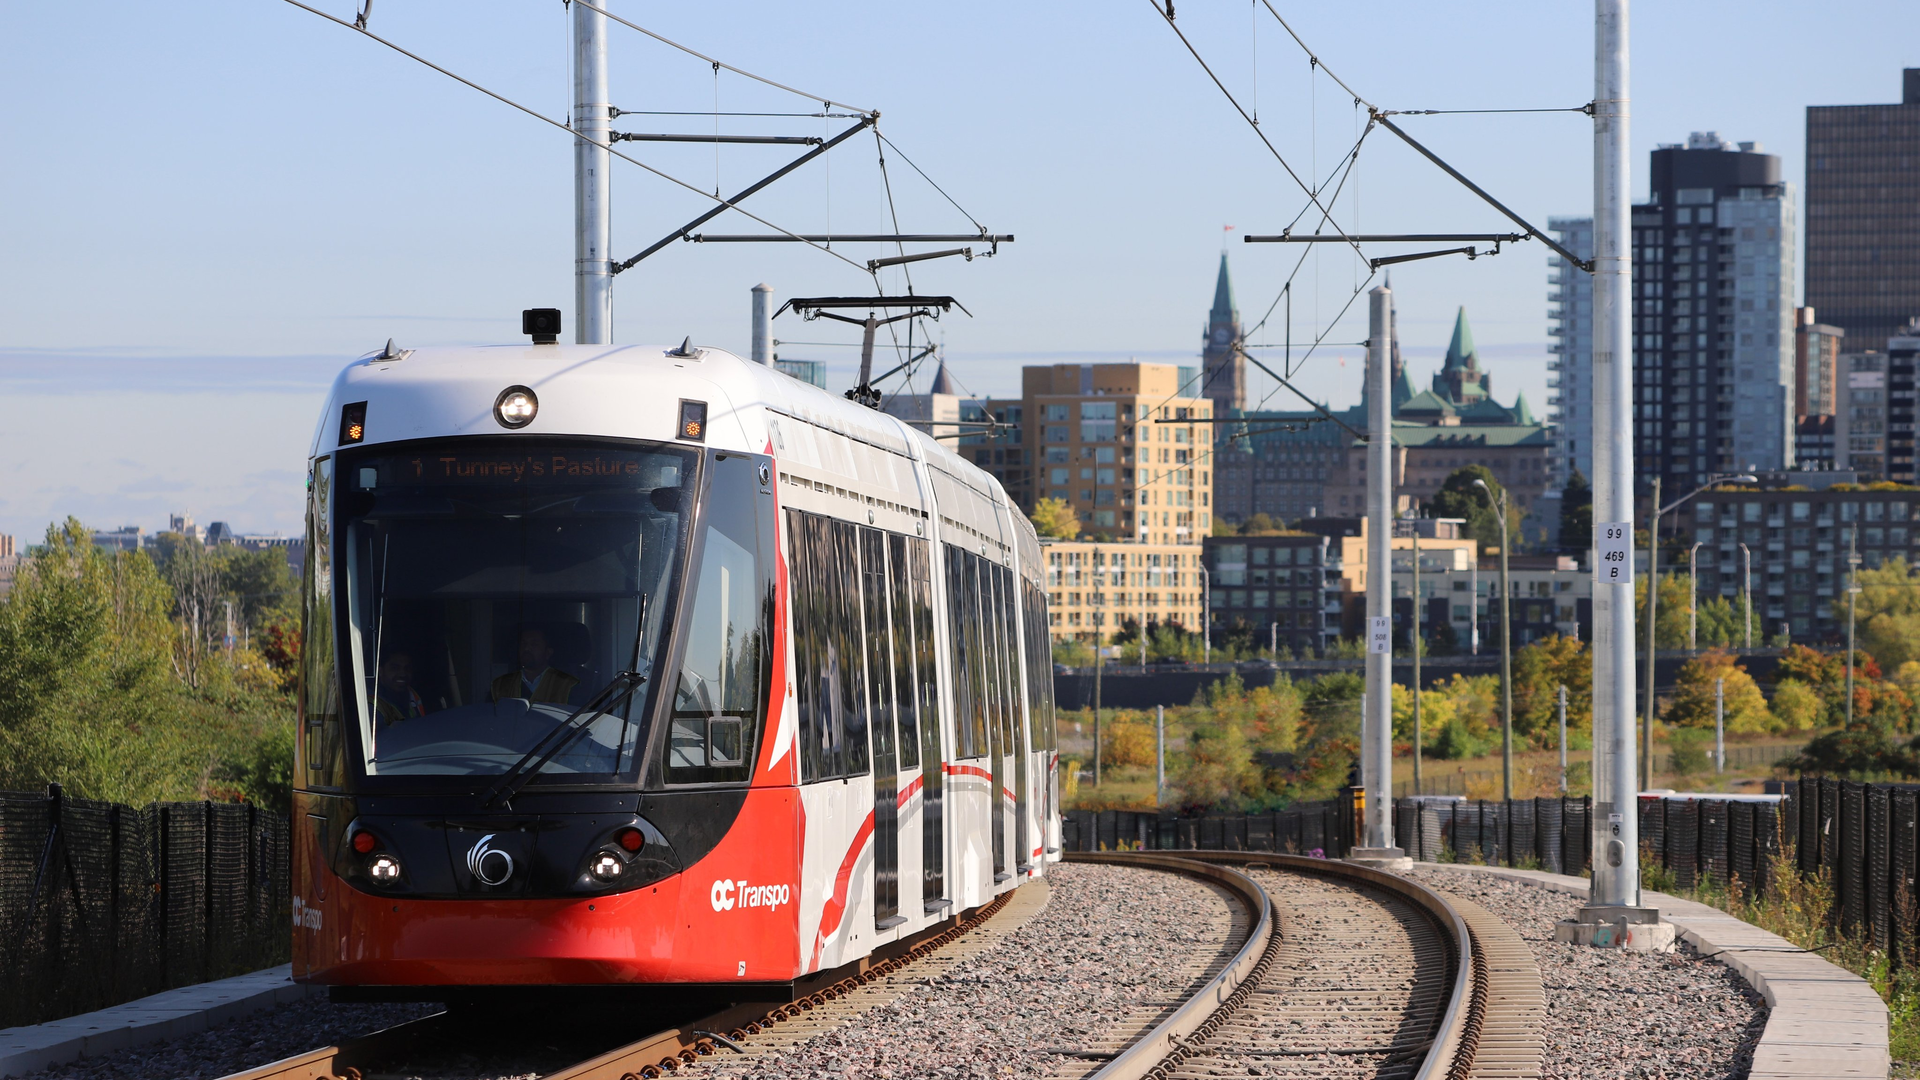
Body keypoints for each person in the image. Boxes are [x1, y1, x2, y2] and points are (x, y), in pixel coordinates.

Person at [491, 627, 580, 705]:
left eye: (534, 644)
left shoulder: (568, 685)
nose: (526, 648)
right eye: (523, 644)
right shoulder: (500, 684)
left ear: (548, 653)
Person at [375, 651, 427, 723]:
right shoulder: (370, 704)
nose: (403, 674)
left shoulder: (417, 696)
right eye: (395, 668)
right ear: (380, 671)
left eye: (407, 668)